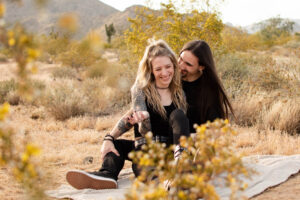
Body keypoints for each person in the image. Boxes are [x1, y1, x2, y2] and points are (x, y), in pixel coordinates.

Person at [66, 39, 190, 190]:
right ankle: (107, 175)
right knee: (117, 146)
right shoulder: (141, 90)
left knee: (178, 115)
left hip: (169, 150)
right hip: (145, 149)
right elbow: (134, 117)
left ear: (174, 66)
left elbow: (181, 126)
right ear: (150, 70)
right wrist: (109, 138)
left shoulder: (179, 93)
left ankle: (179, 168)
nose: (164, 73)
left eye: (168, 67)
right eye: (158, 69)